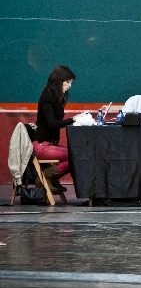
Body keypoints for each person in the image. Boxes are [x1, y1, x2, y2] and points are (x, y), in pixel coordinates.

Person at [33, 65, 84, 194]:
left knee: (77, 153)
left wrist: (72, 119)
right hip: (42, 146)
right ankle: (45, 177)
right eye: (68, 82)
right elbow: (51, 123)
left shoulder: (55, 97)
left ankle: (52, 178)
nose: (70, 86)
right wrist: (72, 120)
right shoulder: (47, 97)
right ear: (59, 80)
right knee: (76, 155)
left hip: (49, 144)